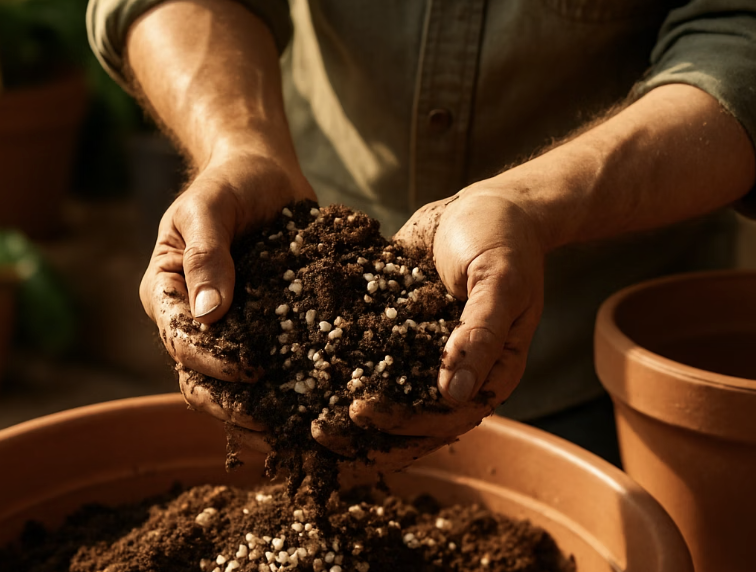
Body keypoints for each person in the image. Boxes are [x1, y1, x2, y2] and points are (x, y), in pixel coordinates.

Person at [87, 0, 756, 465]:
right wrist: (238, 147)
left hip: (594, 354)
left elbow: (738, 34)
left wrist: (530, 205)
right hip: (301, 221)